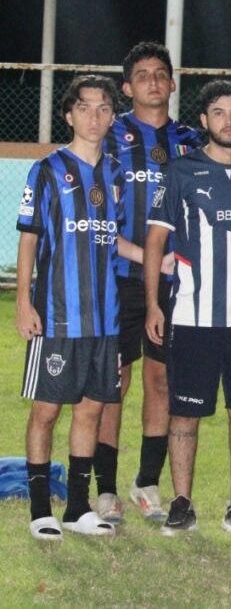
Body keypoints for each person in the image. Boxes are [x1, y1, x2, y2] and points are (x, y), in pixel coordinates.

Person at [144, 81, 231, 536]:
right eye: (218, 113)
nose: (229, 121)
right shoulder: (180, 171)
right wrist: (153, 306)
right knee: (185, 412)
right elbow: (155, 240)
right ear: (204, 121)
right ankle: (182, 502)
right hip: (192, 315)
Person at [17, 75, 142, 539]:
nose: (95, 116)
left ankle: (76, 508)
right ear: (68, 115)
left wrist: (156, 257)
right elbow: (28, 238)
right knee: (47, 411)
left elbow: (112, 241)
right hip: (57, 314)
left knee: (91, 409)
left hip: (104, 318)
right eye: (85, 107)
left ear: (113, 116)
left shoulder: (114, 174)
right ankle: (38, 510)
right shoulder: (47, 171)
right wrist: (24, 302)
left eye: (104, 108)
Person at [96, 42, 201, 523]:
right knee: (113, 381)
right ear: (126, 87)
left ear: (173, 83)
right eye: (142, 75)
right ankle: (105, 489)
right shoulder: (108, 136)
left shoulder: (192, 141)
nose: (153, 82)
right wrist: (145, 256)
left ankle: (148, 482)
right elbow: (95, 218)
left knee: (161, 380)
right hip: (118, 280)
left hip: (176, 285)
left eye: (162, 74)